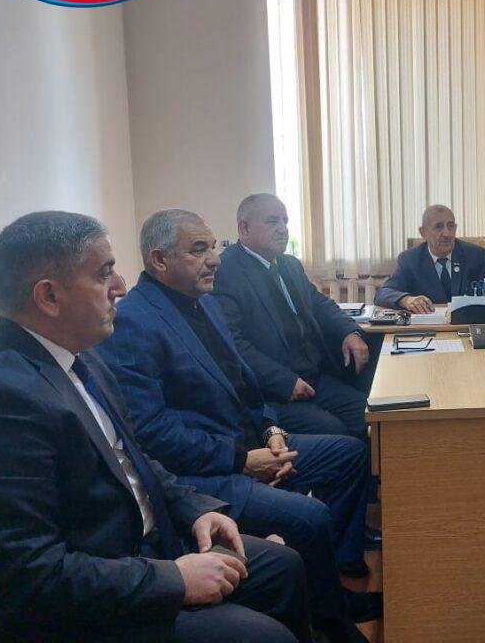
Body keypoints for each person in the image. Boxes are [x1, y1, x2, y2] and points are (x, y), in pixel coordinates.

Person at [0, 211, 310, 642]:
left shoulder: (81, 354)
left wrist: (196, 510)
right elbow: (25, 576)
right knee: (264, 636)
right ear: (49, 296)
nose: (120, 287)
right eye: (103, 273)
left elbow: (136, 459)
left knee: (282, 566)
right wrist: (174, 580)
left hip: (145, 545)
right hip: (93, 598)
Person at [96, 209, 376, 643]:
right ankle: (331, 624)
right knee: (310, 515)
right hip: (204, 470)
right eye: (199, 250)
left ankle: (329, 590)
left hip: (251, 443)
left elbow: (245, 384)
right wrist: (242, 460)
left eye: (213, 247)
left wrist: (271, 431)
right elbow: (151, 433)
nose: (215, 259)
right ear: (160, 260)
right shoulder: (133, 321)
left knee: (350, 455)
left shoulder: (205, 302)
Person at [213, 193, 370, 440]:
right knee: (335, 433)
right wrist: (285, 382)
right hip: (273, 392)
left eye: (285, 221)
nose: (282, 229)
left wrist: (349, 332)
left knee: (372, 415)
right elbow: (232, 343)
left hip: (314, 378)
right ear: (244, 228)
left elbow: (319, 304)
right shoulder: (225, 271)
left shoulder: (289, 265)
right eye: (272, 221)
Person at [374, 204, 485, 312]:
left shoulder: (474, 255)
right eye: (438, 227)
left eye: (450, 226)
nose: (447, 233)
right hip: (427, 328)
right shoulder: (410, 259)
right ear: (423, 232)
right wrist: (406, 300)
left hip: (468, 327)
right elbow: (383, 293)